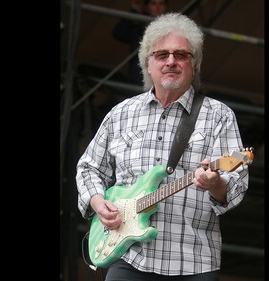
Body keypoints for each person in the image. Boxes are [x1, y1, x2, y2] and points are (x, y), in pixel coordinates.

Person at [76, 12, 250, 281]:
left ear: (195, 64)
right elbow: (88, 168)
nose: (171, 61)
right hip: (129, 255)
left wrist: (215, 184)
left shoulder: (219, 115)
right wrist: (99, 203)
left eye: (181, 55)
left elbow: (235, 181)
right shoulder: (121, 113)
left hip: (193, 260)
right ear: (148, 64)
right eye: (162, 55)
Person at [112, 0, 167, 86]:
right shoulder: (138, 29)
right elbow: (119, 33)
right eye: (153, 3)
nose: (158, 7)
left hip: (162, 79)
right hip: (138, 79)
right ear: (146, 7)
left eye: (161, 4)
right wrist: (135, 11)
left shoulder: (171, 29)